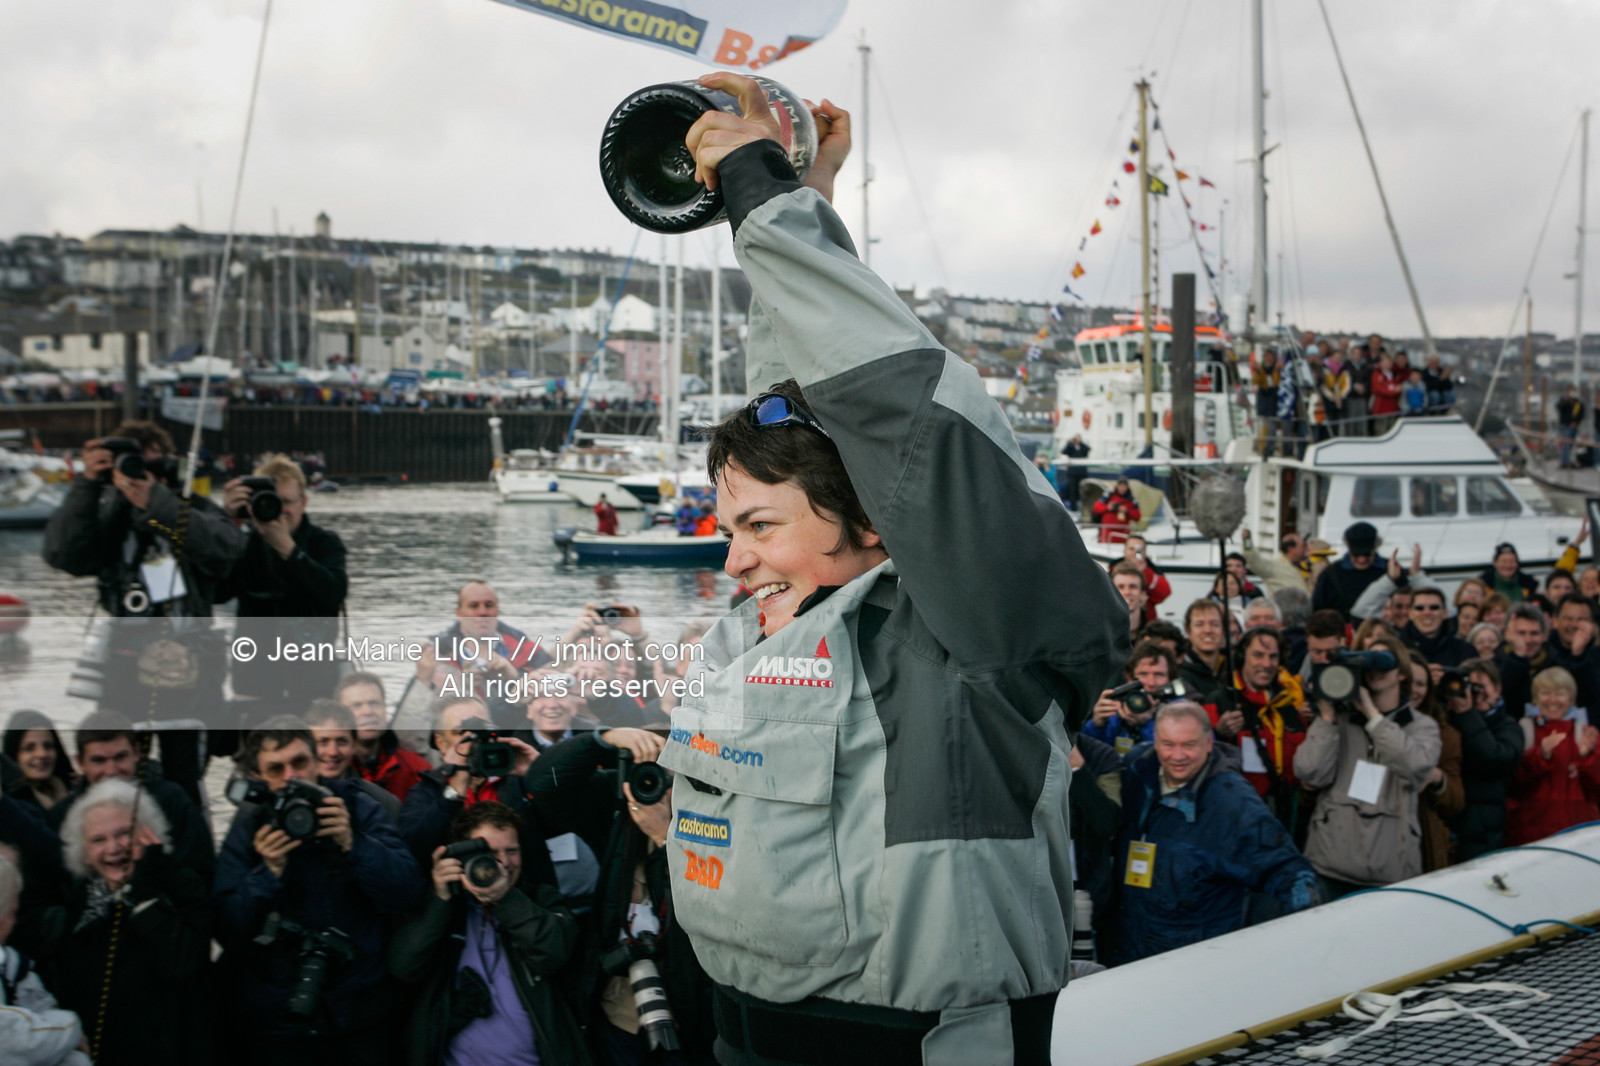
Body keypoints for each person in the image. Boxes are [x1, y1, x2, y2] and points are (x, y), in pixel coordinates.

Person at [664, 74, 1127, 1064]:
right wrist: (805, 201)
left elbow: (900, 418)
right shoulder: (779, 624)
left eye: (755, 526)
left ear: (878, 524)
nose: (734, 558)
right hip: (742, 1035)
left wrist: (758, 188)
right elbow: (806, 411)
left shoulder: (963, 644)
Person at [42, 420, 247, 805]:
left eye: (152, 466)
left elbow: (225, 548)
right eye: (133, 465)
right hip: (125, 673)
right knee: (118, 777)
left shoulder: (191, 510)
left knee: (183, 784)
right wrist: (89, 483)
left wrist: (158, 504)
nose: (143, 476)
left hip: (192, 675)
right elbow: (63, 554)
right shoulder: (108, 520)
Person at [213, 717, 422, 1065]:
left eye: (299, 763)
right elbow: (228, 929)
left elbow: (407, 893)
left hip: (358, 1009)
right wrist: (268, 872)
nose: (291, 777)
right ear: (260, 777)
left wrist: (353, 844)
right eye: (276, 769)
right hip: (279, 1015)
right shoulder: (251, 822)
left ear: (316, 762)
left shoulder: (355, 806)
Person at [526, 727, 716, 1063]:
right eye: (653, 768)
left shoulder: (713, 815)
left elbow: (711, 905)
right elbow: (543, 783)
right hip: (619, 1008)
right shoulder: (620, 802)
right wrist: (603, 740)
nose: (659, 782)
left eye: (674, 771)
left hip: (692, 1011)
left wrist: (663, 838)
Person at [1110, 702, 1318, 964]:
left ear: (1209, 742)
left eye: (1189, 744)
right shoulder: (1139, 772)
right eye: (1168, 744)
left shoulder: (1233, 802)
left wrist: (1304, 951)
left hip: (1193, 962)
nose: (1177, 755)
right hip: (1130, 949)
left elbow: (1288, 872)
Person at [389, 802, 591, 1066]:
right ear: (462, 855)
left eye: (512, 851)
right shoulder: (448, 909)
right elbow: (404, 967)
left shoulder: (541, 898)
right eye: (491, 852)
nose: (503, 863)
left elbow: (555, 951)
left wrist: (505, 899)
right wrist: (439, 900)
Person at [44, 778, 211, 1065]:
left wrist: (145, 896)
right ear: (83, 852)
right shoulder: (81, 901)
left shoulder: (181, 885)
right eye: (98, 840)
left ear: (148, 835)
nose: (113, 848)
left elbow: (181, 964)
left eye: (124, 834)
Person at [1294, 634, 1441, 897]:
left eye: (1383, 662)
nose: (1375, 670)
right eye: (1367, 663)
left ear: (1402, 674)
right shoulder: (1339, 720)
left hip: (1390, 871)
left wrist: (1373, 717)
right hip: (1330, 863)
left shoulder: (1422, 726)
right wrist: (1326, 718)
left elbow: (1415, 768)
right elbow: (1309, 772)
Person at [219, 453, 349, 721]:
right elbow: (217, 592)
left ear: (304, 502)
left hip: (314, 683)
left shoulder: (325, 543)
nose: (279, 511)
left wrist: (287, 549)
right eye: (270, 502)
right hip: (255, 683)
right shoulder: (243, 543)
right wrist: (229, 525)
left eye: (287, 503)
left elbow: (333, 594)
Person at [47, 711, 215, 884]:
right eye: (99, 761)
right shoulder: (61, 816)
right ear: (80, 762)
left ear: (136, 753)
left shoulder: (172, 801)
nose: (111, 771)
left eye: (120, 757)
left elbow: (202, 872)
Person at [397, 696, 545, 877]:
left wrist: (542, 770)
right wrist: (455, 788)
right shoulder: (426, 792)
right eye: (462, 733)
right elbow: (413, 851)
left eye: (482, 729)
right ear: (442, 743)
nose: (476, 740)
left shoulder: (519, 781)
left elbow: (571, 815)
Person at [414, 580, 553, 727]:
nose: (483, 612)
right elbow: (423, 712)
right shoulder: (438, 652)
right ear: (459, 613)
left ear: (497, 610)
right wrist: (464, 687)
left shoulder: (518, 642)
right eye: (474, 606)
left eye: (489, 605)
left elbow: (551, 673)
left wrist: (514, 677)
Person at [0, 852, 93, 1066]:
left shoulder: (15, 968)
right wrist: (70, 1028)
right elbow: (14, 1039)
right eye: (11, 912)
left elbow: (43, 1010)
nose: (11, 922)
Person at [1219, 627, 1311, 834]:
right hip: (1236, 820)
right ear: (1242, 657)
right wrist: (1218, 731)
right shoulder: (1220, 702)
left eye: (1273, 656)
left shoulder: (1291, 707)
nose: (1267, 664)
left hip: (1285, 821)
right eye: (1258, 655)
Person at [1508, 667, 1600, 844]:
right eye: (1545, 693)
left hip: (1579, 829)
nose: (1552, 700)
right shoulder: (1525, 731)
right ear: (1535, 698)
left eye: (1560, 694)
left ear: (1571, 699)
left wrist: (1586, 757)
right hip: (1532, 830)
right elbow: (1514, 784)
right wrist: (1541, 756)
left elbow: (1597, 788)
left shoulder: (1586, 733)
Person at [1448, 658, 1525, 861]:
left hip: (1483, 832)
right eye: (1469, 686)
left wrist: (1466, 715)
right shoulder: (1447, 720)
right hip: (1450, 826)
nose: (1476, 693)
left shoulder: (1508, 726)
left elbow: (1495, 760)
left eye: (1481, 686)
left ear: (1498, 689)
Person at [333, 672, 432, 802]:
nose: (367, 712)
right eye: (356, 706)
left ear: (385, 709)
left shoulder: (417, 769)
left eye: (374, 703)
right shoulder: (329, 768)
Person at [1407, 652, 1464, 872]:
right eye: (1409, 682)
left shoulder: (1445, 734)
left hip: (1425, 844)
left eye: (1421, 684)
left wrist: (1437, 778)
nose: (1414, 690)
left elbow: (1456, 802)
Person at [303, 700, 403, 820]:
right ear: (306, 745)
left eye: (342, 742)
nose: (333, 752)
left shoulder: (385, 805)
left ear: (354, 745)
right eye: (323, 742)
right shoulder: (286, 798)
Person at [1083, 642, 1174, 754]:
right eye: (1143, 674)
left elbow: (1170, 755)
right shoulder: (1117, 707)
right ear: (1130, 678)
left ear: (1170, 678)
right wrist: (1097, 725)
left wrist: (1145, 725)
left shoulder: (1181, 711)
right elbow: (1091, 755)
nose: (1151, 683)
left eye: (1159, 674)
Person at [1311, 521, 1386, 620]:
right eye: (1356, 554)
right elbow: (1317, 609)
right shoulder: (1331, 574)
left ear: (1375, 548)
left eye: (1366, 554)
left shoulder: (1389, 570)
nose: (1361, 560)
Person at [2, 710, 74, 811]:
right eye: (29, 748)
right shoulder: (7, 805)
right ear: (14, 756)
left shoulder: (74, 793)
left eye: (48, 746)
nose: (42, 754)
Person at [1544, 594, 1600, 715]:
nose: (1574, 625)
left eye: (1581, 620)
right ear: (1555, 621)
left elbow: (1590, 698)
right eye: (1568, 619)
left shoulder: (1596, 656)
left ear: (1593, 625)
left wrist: (1578, 655)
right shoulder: (1543, 653)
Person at [1402, 587, 1477, 675]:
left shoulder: (1465, 650)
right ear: (1410, 614)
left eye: (1434, 607)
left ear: (1445, 613)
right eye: (1419, 608)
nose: (1427, 612)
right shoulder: (1397, 651)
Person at [1178, 599, 1229, 707]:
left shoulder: (1234, 670)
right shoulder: (1178, 673)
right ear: (1188, 631)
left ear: (1223, 630)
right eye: (1199, 624)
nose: (1207, 630)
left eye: (1214, 624)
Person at [1113, 534, 1171, 626]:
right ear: (1124, 551)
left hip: (1146, 625)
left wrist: (1145, 572)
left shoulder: (1152, 571)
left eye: (1139, 550)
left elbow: (1164, 593)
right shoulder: (1113, 570)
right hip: (1115, 624)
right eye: (1131, 549)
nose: (1134, 553)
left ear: (1145, 553)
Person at [1240, 529, 1315, 598]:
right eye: (1303, 546)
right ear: (1291, 549)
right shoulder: (1273, 566)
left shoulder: (1300, 566)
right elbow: (1252, 558)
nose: (1306, 549)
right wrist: (1247, 540)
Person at [1092, 477, 1141, 543]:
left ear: (1127, 487)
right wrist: (1108, 508)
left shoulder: (1132, 500)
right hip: (1107, 535)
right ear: (1117, 486)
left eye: (1124, 486)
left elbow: (1137, 516)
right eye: (1120, 485)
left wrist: (1127, 511)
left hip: (1123, 535)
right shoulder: (1109, 495)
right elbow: (1096, 508)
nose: (1122, 488)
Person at [1110, 561, 1149, 639]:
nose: (1127, 592)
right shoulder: (1099, 637)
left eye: (1133, 586)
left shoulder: (1155, 638)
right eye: (1120, 587)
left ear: (1143, 595)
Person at [1557, 385, 1584, 467]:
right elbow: (1559, 407)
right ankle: (1564, 461)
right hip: (1564, 425)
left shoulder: (1578, 403)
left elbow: (1581, 414)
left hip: (1573, 426)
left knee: (1569, 444)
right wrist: (1566, 399)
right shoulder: (1564, 401)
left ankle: (1566, 461)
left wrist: (1576, 422)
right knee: (1566, 443)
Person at [1061, 433, 1090, 509]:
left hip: (1082, 472)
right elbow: (1064, 451)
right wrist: (1069, 442)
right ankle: (1073, 508)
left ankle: (1084, 508)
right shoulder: (1070, 447)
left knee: (1083, 490)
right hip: (1072, 472)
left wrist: (1080, 442)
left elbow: (1087, 449)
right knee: (1072, 491)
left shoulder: (1083, 447)